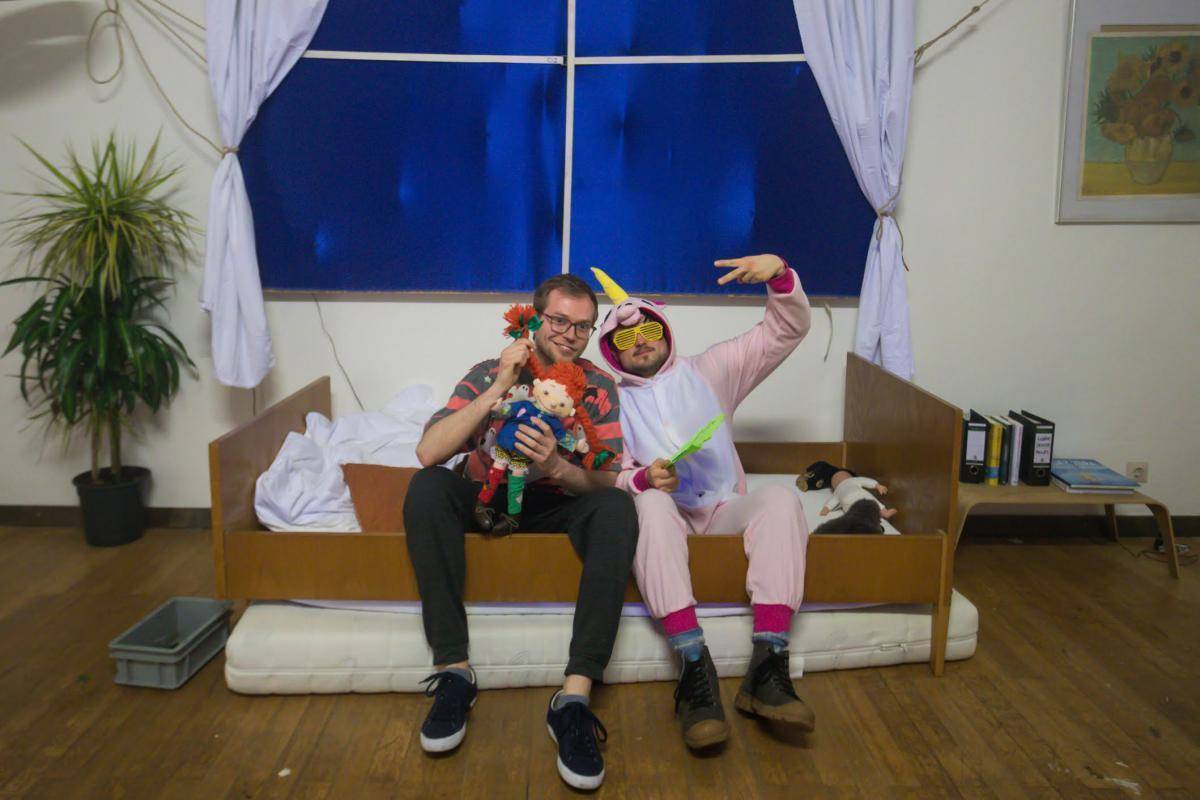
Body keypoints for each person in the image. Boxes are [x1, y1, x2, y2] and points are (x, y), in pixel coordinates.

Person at [405, 274, 637, 790]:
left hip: (557, 504)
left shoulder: (598, 387)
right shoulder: (490, 370)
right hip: (486, 496)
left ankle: (573, 699)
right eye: (559, 321)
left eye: (582, 326)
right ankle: (454, 673)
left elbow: (607, 476)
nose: (570, 335)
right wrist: (497, 389)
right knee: (426, 486)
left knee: (619, 507)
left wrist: (556, 465)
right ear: (534, 319)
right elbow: (428, 452)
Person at [593, 254, 814, 749]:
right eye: (625, 338)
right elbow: (603, 476)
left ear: (665, 330)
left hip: (721, 509)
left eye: (648, 329)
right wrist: (641, 478)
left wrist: (780, 275)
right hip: (666, 516)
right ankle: (694, 666)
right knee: (649, 505)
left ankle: (768, 666)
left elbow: (785, 331)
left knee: (780, 500)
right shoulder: (609, 400)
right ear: (611, 351)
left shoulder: (714, 369)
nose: (640, 341)